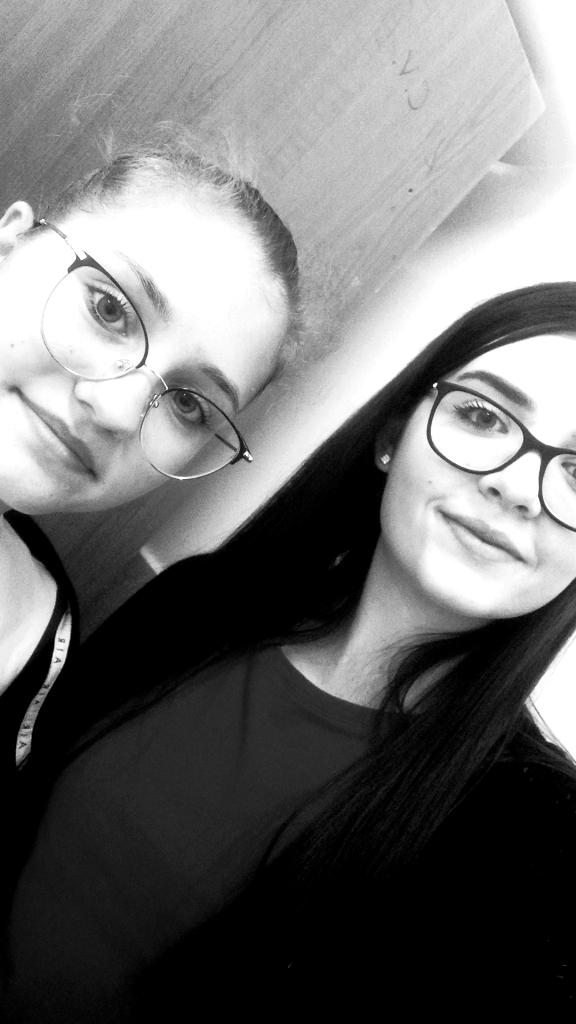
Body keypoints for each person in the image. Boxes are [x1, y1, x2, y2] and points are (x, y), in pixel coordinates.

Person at [3, 282, 576, 1020]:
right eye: (482, 415)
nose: (517, 488)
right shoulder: (197, 605)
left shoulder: (541, 839)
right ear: (393, 437)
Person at [0, 128, 303, 780]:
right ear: (10, 240)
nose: (116, 411)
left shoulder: (42, 632)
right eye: (109, 308)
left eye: (188, 405)